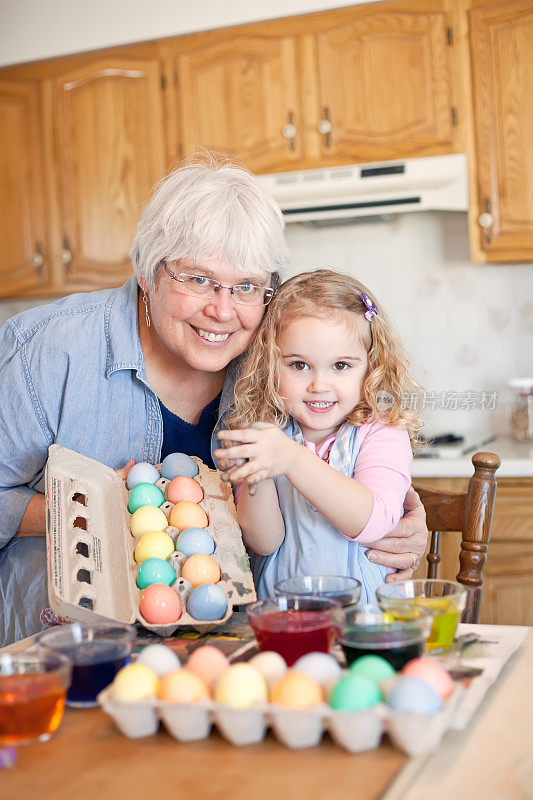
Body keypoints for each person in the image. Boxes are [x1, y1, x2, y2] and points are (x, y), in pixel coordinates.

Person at [0, 156, 427, 646]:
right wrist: (104, 511)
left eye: (246, 286)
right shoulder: (49, 352)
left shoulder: (274, 358)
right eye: (198, 279)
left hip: (233, 641)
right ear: (148, 273)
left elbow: (352, 476)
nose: (222, 311)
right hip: (68, 647)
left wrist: (406, 519)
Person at [215, 270, 423, 602]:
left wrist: (293, 459)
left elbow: (372, 521)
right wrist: (259, 470)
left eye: (341, 366)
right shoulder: (270, 436)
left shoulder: (382, 433)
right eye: (299, 365)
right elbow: (264, 541)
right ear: (270, 365)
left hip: (366, 623)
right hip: (285, 619)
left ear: (372, 366)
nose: (319, 385)